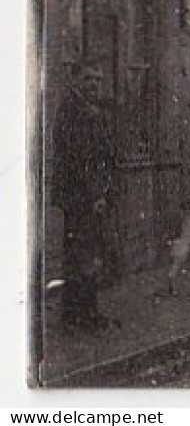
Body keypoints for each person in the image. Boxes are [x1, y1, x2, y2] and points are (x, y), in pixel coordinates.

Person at [51, 63, 119, 330]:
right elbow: (82, 159)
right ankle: (85, 315)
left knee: (79, 254)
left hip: (78, 194)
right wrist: (96, 196)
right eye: (88, 79)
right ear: (75, 79)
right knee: (85, 254)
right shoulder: (76, 111)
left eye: (98, 80)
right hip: (82, 195)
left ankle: (75, 314)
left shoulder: (81, 108)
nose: (94, 85)